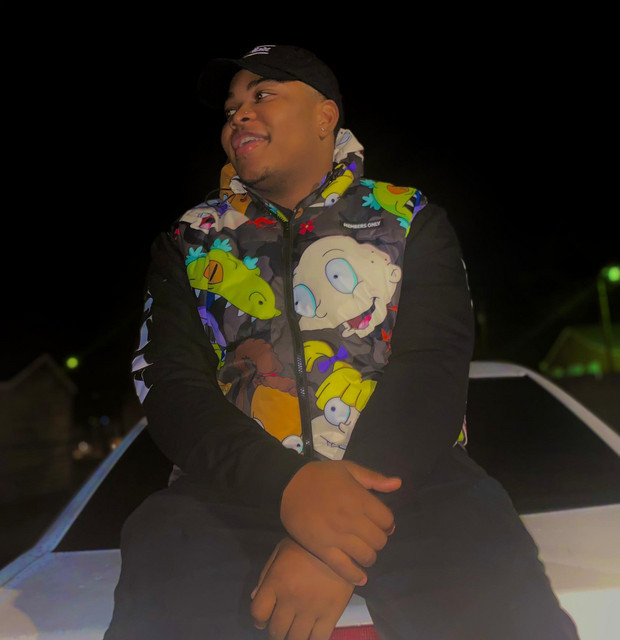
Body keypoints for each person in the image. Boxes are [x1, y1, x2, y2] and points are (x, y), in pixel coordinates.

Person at [105, 45, 580, 639]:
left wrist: (334, 540)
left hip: (410, 483)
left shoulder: (409, 217)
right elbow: (169, 383)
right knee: (164, 558)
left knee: (501, 597)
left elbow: (431, 368)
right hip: (236, 492)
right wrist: (289, 488)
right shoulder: (189, 240)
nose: (238, 116)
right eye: (230, 109)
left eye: (262, 96)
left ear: (324, 116)